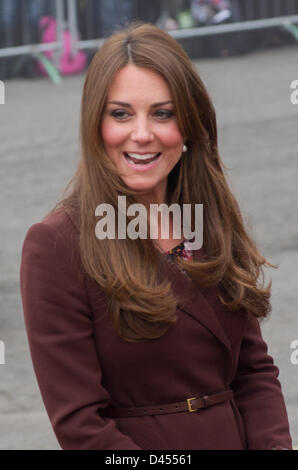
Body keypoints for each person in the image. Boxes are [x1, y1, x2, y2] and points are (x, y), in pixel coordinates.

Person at [20, 22, 292, 450]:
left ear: (187, 126)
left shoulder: (210, 217)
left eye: (162, 113)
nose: (142, 134)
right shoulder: (55, 244)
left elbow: (253, 371)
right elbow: (80, 426)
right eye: (121, 113)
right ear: (96, 124)